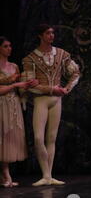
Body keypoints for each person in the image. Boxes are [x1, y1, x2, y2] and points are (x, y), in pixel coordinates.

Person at [22, 24, 81, 186]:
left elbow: (75, 73)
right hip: (41, 99)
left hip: (56, 100)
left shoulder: (61, 54)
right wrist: (51, 88)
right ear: (40, 36)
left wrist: (66, 89)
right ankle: (45, 174)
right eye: (48, 33)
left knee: (51, 137)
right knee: (38, 137)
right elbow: (30, 84)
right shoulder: (30, 59)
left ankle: (49, 175)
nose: (51, 36)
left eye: (52, 33)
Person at [0, 37, 38, 187]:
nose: (9, 48)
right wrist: (16, 83)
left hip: (13, 105)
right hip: (1, 104)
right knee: (2, 137)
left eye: (10, 46)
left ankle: (4, 174)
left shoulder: (14, 66)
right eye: (5, 46)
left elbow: (20, 89)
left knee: (9, 137)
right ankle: (5, 174)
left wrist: (28, 85)